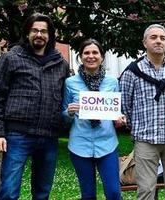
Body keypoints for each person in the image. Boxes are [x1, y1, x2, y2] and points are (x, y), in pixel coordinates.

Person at [0, 13, 70, 199]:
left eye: (43, 31)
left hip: (49, 136)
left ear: (50, 35)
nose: (39, 34)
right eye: (34, 30)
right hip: (17, 135)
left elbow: (65, 99)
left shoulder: (61, 64)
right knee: (8, 192)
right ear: (27, 33)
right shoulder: (10, 59)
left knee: (42, 193)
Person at [119, 24, 165, 200]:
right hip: (146, 140)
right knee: (146, 190)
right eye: (154, 37)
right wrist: (137, 129)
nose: (158, 41)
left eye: (162, 38)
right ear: (144, 42)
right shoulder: (132, 72)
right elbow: (125, 106)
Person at [62, 39, 126, 200]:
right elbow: (62, 115)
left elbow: (116, 112)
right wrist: (68, 112)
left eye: (95, 52)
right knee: (88, 194)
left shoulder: (112, 82)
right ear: (80, 57)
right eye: (86, 53)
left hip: (107, 144)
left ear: (102, 57)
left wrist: (120, 119)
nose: (91, 56)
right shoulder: (70, 83)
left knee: (113, 192)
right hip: (80, 144)